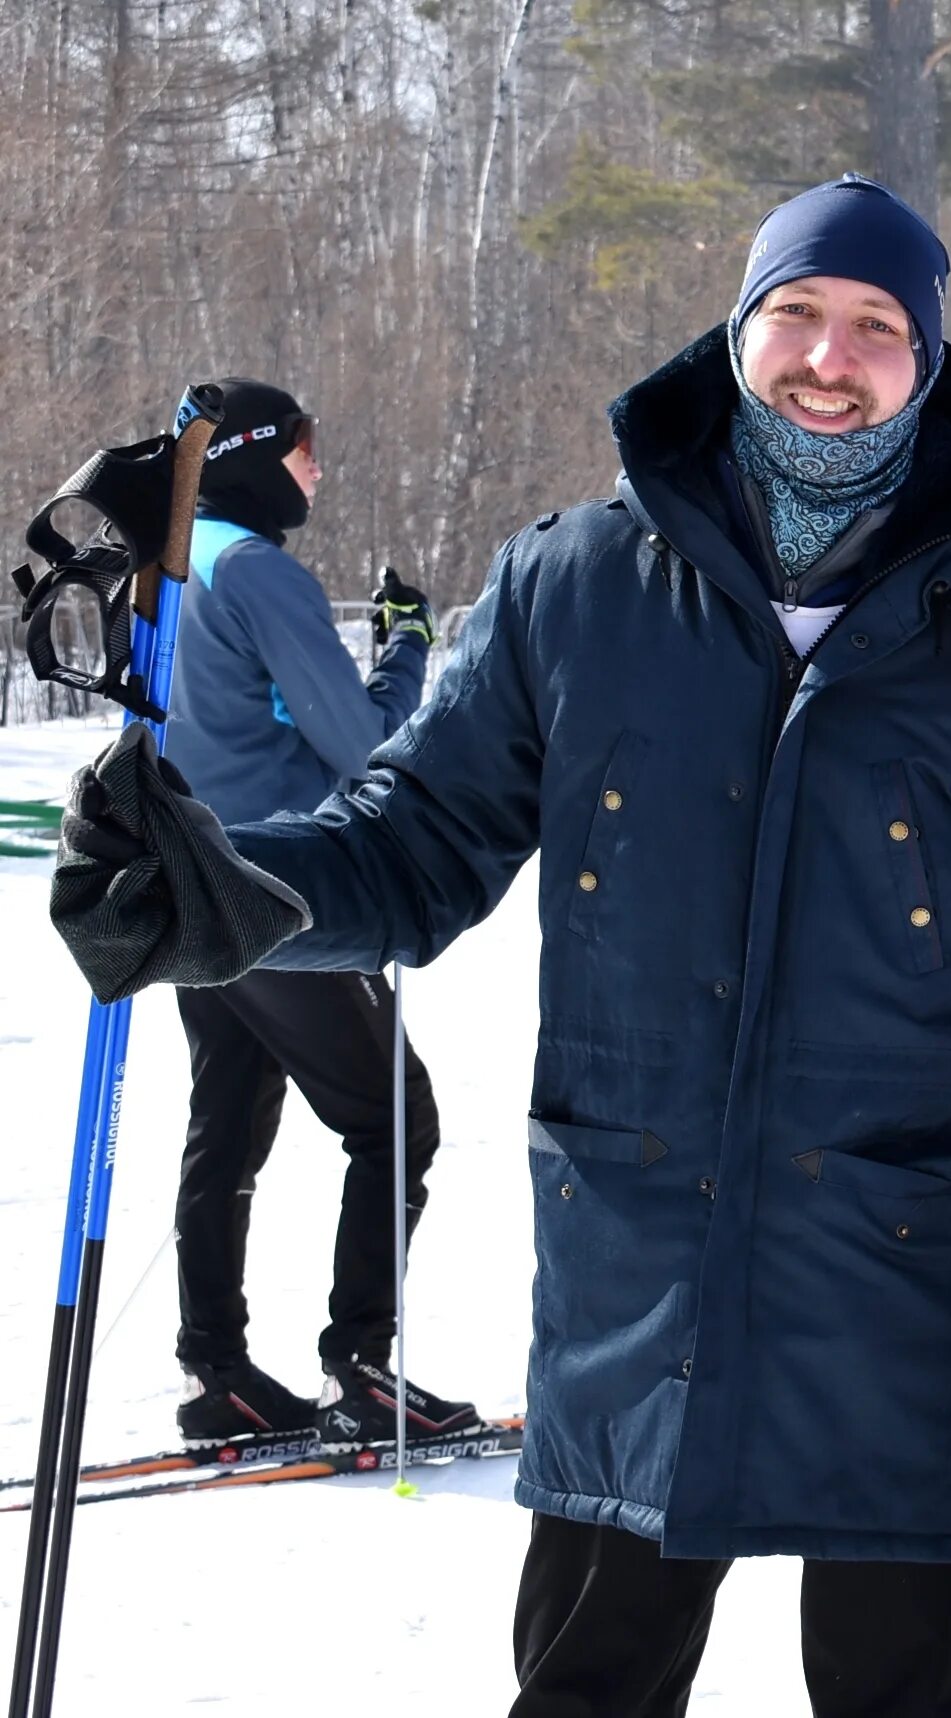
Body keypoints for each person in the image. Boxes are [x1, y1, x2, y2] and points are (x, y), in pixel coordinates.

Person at [48, 175, 951, 1718]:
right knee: (590, 1683)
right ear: (734, 332)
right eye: (794, 312)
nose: (827, 356)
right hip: (640, 1255)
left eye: (875, 327)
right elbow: (411, 841)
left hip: (905, 1274)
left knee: (900, 1687)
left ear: (928, 363)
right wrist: (220, 886)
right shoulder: (576, 584)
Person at [158, 377, 471, 1444]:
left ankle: (216, 1369)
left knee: (227, 1125)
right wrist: (407, 642)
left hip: (186, 887)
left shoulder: (168, 560)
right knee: (395, 1116)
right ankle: (364, 1363)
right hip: (279, 892)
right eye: (304, 449)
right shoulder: (254, 569)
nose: (317, 468)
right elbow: (361, 742)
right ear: (252, 455)